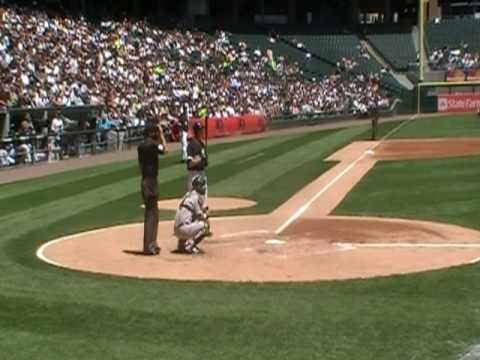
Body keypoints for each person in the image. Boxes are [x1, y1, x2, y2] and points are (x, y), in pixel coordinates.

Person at [137, 124, 167, 255]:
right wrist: (161, 134)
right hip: (151, 181)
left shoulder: (141, 146)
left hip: (145, 180)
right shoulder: (152, 145)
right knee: (152, 213)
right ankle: (149, 245)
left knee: (153, 212)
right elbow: (165, 149)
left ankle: (152, 243)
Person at [174, 174, 210, 254]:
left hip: (177, 229)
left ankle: (181, 245)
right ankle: (190, 246)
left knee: (191, 217)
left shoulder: (188, 194)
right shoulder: (195, 197)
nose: (204, 187)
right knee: (205, 226)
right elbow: (200, 215)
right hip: (183, 230)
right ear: (197, 186)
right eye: (202, 185)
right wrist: (206, 215)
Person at [186, 121, 208, 208]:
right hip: (194, 175)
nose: (202, 131)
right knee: (194, 200)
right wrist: (198, 160)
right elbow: (189, 164)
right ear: (197, 131)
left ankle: (202, 218)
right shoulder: (192, 145)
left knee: (203, 200)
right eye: (201, 130)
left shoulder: (201, 144)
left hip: (202, 173)